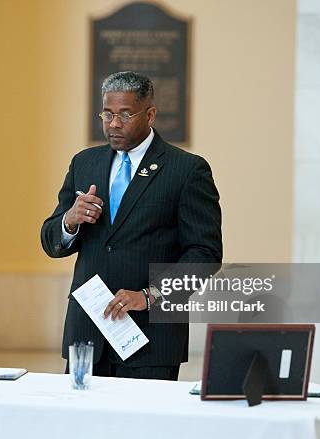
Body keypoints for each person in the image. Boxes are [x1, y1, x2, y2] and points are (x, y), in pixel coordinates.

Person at [40, 71, 222, 380]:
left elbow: (205, 255)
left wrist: (150, 294)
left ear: (150, 114)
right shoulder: (84, 163)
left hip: (150, 338)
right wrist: (70, 221)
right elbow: (51, 241)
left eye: (125, 114)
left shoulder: (187, 170)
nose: (113, 123)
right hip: (88, 334)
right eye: (107, 114)